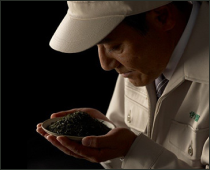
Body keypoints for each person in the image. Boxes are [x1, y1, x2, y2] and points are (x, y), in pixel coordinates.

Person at [36, 1, 209, 169]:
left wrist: (133, 151)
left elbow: (133, 151)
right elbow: (123, 155)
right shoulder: (145, 61)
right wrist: (109, 143)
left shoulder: (145, 58)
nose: (105, 65)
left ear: (162, 17)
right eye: (98, 45)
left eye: (115, 46)